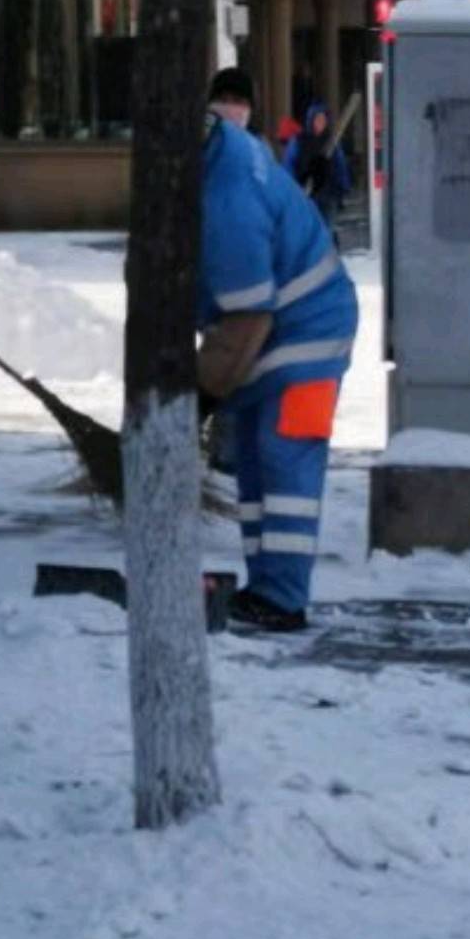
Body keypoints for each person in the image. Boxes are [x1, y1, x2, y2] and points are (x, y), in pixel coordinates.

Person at [200, 82, 359, 632]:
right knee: (250, 454)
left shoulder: (227, 198)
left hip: (313, 331)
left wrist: (203, 393)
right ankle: (262, 584)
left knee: (284, 455)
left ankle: (284, 598)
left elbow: (247, 317)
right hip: (276, 331)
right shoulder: (223, 156)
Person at [282, 100, 351, 233]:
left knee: (327, 231)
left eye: (323, 120)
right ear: (311, 120)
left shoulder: (332, 142)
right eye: (317, 119)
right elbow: (288, 165)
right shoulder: (298, 141)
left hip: (328, 195)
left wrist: (343, 186)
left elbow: (340, 165)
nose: (321, 123)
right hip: (307, 195)